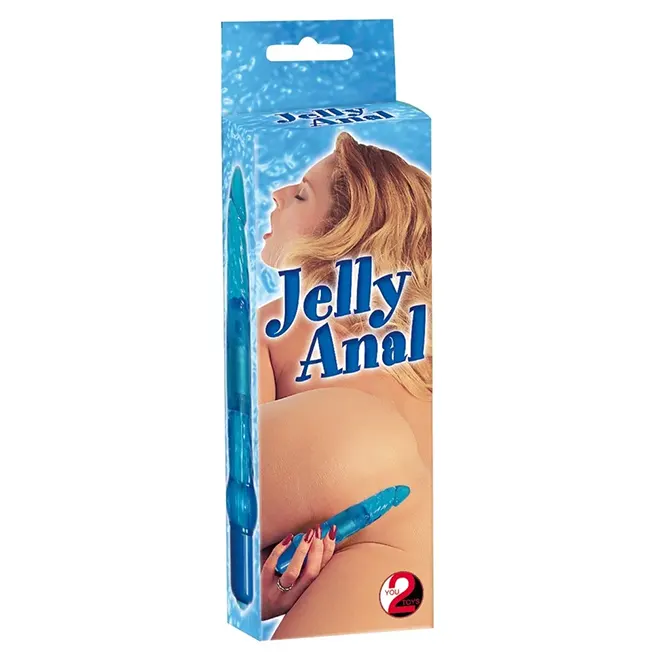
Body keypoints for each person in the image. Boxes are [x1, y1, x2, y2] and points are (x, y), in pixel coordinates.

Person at [258, 132, 432, 638]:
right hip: (419, 545)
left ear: (343, 230)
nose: (277, 194)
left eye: (302, 194)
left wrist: (248, 588)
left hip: (342, 447)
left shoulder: (276, 325)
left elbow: (239, 499)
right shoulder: (427, 333)